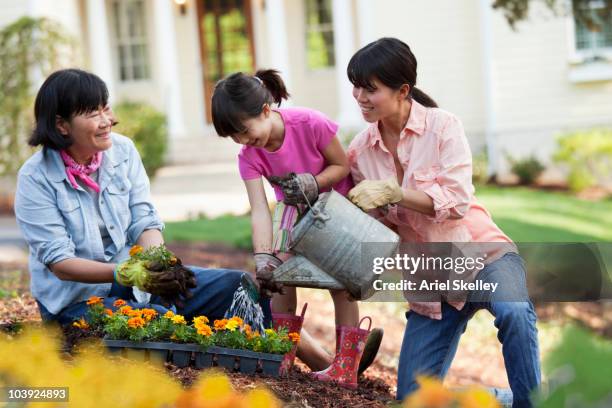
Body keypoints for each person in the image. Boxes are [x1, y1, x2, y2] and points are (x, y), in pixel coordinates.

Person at [345, 38, 541, 407]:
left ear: (403, 90)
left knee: (513, 310)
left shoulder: (443, 127)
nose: (359, 96)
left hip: (483, 256)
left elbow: (456, 201)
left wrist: (395, 192)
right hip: (430, 279)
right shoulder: (359, 151)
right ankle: (504, 399)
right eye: (356, 86)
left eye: (370, 88)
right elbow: (378, 227)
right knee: (411, 401)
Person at [14, 68, 257, 327]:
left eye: (105, 108)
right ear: (61, 125)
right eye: (93, 113)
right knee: (159, 321)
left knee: (237, 286)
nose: (107, 120)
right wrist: (125, 273)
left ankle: (270, 358)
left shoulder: (123, 151)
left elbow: (143, 219)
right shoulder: (35, 177)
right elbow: (60, 262)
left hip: (136, 287)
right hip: (76, 302)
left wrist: (157, 266)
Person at [211, 69, 382, 387]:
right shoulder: (249, 156)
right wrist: (263, 257)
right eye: (236, 138)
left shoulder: (309, 123)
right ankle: (283, 356)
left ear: (265, 110)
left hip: (336, 212)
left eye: (245, 132)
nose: (244, 142)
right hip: (293, 217)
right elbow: (260, 209)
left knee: (341, 286)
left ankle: (345, 367)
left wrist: (313, 183)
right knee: (278, 278)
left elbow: (341, 166)